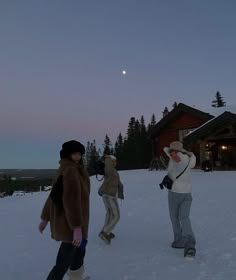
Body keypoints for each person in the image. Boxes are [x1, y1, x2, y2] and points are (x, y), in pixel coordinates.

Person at [38, 140, 90, 280]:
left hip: (76, 224)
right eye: (74, 154)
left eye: (80, 154)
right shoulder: (70, 171)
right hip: (70, 226)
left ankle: (76, 277)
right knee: (63, 261)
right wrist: (77, 228)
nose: (78, 157)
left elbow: (53, 196)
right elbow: (70, 201)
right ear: (67, 155)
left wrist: (45, 218)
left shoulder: (72, 169)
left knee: (79, 254)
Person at [163, 141, 196, 257]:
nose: (171, 153)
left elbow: (180, 163)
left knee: (178, 217)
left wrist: (177, 155)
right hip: (182, 193)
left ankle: (186, 241)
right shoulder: (188, 158)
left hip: (177, 193)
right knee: (181, 217)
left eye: (173, 151)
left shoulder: (181, 159)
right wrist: (175, 152)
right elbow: (165, 149)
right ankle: (183, 241)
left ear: (177, 151)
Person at [98, 155, 124, 244]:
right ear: (110, 162)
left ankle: (106, 231)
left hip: (106, 195)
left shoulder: (110, 170)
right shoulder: (110, 170)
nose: (116, 162)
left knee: (109, 214)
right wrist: (108, 158)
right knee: (117, 216)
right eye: (114, 161)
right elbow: (108, 180)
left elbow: (117, 182)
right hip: (110, 196)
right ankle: (105, 232)